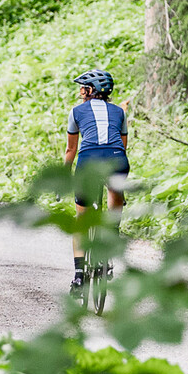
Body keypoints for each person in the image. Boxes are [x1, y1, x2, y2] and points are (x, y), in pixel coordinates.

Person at [63, 69, 128, 292]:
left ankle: (79, 275)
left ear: (92, 90)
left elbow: (71, 150)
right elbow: (122, 146)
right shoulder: (120, 112)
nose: (80, 91)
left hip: (88, 161)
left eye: (83, 87)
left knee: (81, 217)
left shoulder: (76, 111)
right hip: (116, 159)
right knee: (115, 192)